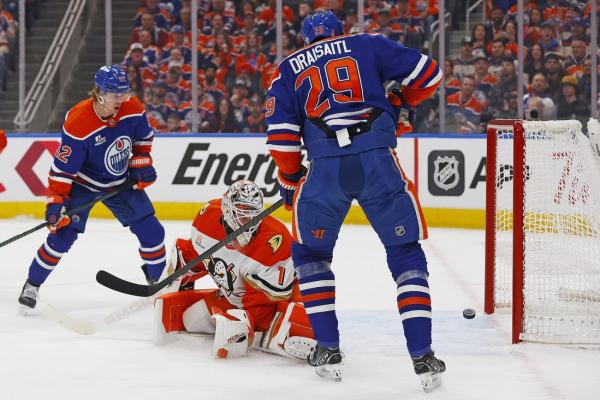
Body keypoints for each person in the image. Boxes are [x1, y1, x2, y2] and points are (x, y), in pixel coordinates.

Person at [264, 10, 446, 391]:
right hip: (377, 161)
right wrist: (400, 101)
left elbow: (281, 136)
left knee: (310, 256)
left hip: (325, 171)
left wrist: (290, 177)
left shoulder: (288, 69)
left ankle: (328, 349)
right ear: (339, 32)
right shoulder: (367, 44)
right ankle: (423, 355)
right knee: (405, 252)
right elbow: (430, 75)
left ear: (305, 40)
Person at [18, 65, 167, 311]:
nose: (122, 99)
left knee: (152, 232)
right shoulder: (79, 121)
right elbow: (63, 169)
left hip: (120, 183)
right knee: (62, 237)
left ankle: (159, 282)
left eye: (124, 93)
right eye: (116, 94)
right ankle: (32, 284)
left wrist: (141, 161)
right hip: (84, 185)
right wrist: (57, 200)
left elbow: (143, 139)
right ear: (99, 93)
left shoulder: (132, 107)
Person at [154, 180, 316, 360]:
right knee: (190, 318)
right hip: (239, 297)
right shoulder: (207, 218)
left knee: (291, 331)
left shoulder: (274, 241)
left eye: (254, 215)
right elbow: (197, 252)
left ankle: (296, 327)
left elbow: (264, 302)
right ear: (227, 210)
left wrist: (247, 325)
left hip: (283, 297)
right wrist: (180, 274)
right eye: (242, 214)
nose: (250, 221)